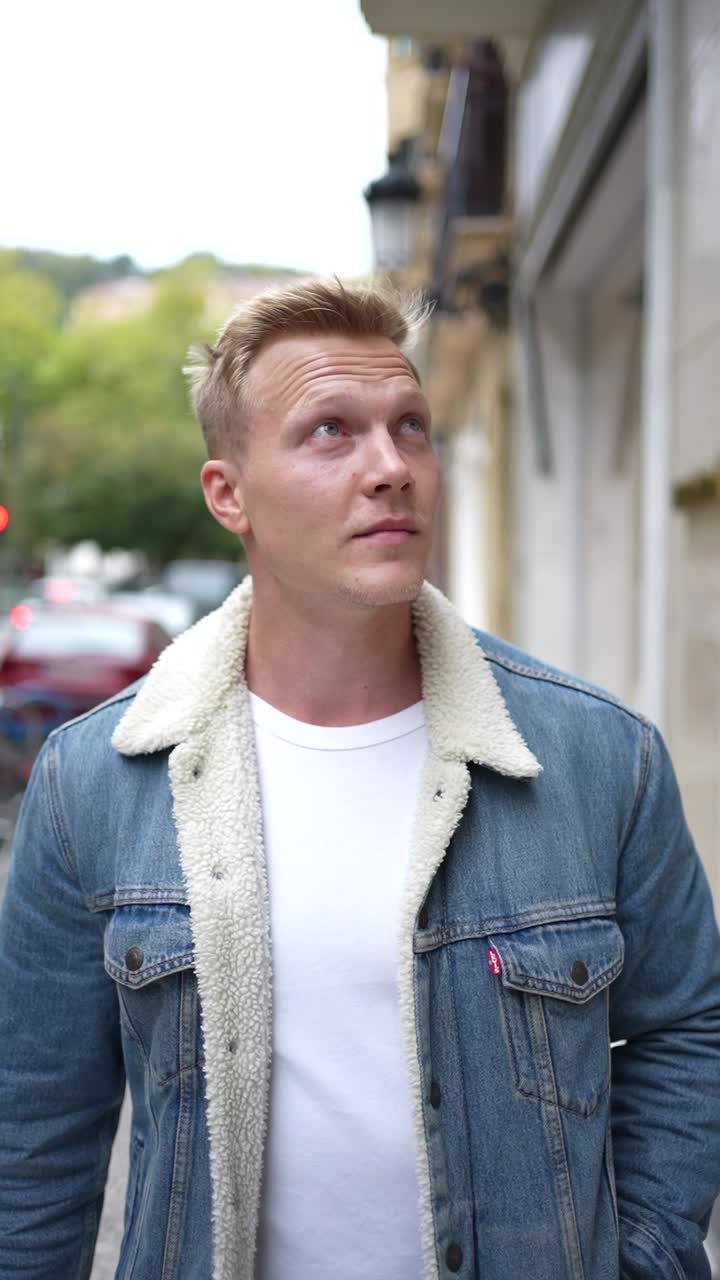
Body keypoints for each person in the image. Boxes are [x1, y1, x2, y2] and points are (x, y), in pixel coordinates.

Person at [0, 279, 719, 1280]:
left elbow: (689, 1025)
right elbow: (34, 1128)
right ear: (229, 493)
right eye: (330, 431)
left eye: (410, 427)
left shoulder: (599, 756)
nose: (391, 468)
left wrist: (642, 1252)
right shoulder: (96, 782)